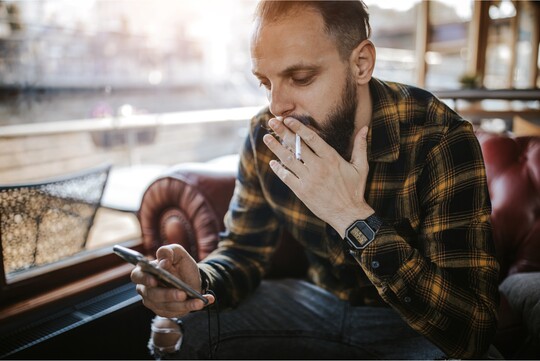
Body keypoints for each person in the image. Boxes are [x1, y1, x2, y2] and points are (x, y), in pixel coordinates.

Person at [131, 1, 500, 359]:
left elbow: (472, 331)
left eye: (301, 78)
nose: (277, 106)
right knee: (185, 327)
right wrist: (198, 281)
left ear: (360, 63)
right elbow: (243, 251)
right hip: (314, 304)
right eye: (265, 83)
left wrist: (351, 215)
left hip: (408, 324)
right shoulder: (267, 135)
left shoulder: (438, 138)